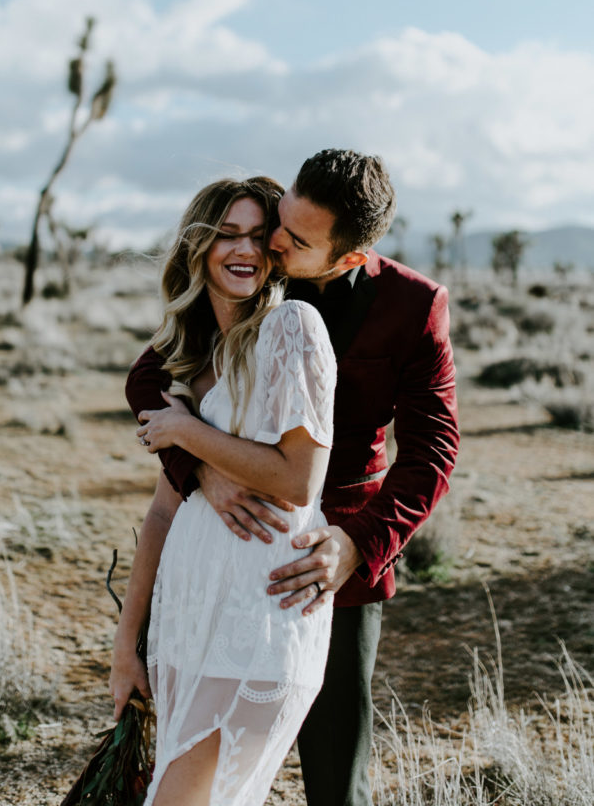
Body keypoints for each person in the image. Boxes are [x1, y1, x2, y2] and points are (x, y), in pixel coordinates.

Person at [127, 149, 460, 806]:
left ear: (346, 257)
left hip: (326, 562)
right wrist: (201, 469)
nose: (273, 242)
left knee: (337, 777)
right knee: (192, 749)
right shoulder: (257, 275)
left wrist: (357, 543)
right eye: (280, 220)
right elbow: (150, 374)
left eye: (296, 239)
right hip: (223, 547)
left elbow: (432, 450)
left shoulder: (412, 305)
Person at [110, 176, 338, 806]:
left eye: (258, 236)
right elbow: (161, 512)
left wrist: (185, 430)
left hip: (259, 617)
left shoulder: (293, 326)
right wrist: (127, 645)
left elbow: (298, 481)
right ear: (197, 247)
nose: (245, 249)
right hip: (188, 619)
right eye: (226, 235)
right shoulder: (188, 356)